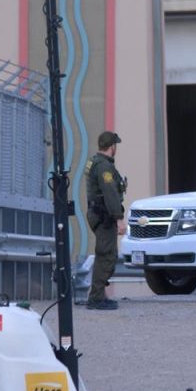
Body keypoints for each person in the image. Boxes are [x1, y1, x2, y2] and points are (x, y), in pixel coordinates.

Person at [82, 130, 127, 311]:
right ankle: (96, 298)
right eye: (115, 145)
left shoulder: (95, 162)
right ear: (112, 147)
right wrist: (119, 219)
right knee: (106, 256)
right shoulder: (104, 167)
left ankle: (99, 295)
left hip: (98, 215)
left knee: (106, 254)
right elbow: (110, 194)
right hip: (104, 216)